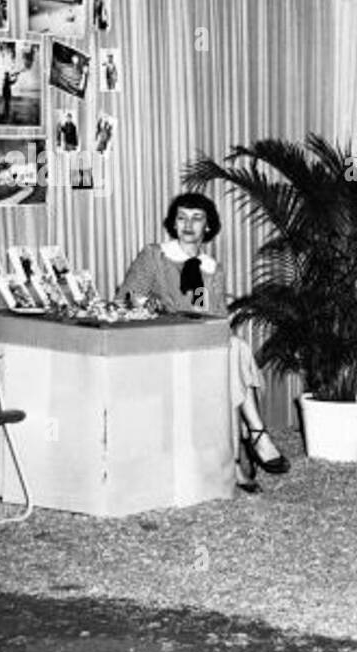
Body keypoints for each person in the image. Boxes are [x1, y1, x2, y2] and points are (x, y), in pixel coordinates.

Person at [116, 193, 289, 492]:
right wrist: (158, 309)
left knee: (232, 349)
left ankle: (237, 459)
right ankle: (255, 437)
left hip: (201, 348)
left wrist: (208, 333)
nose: (188, 225)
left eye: (197, 218)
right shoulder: (155, 256)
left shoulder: (210, 268)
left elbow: (216, 317)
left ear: (208, 226)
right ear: (173, 223)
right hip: (162, 345)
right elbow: (126, 300)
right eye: (181, 217)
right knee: (236, 349)